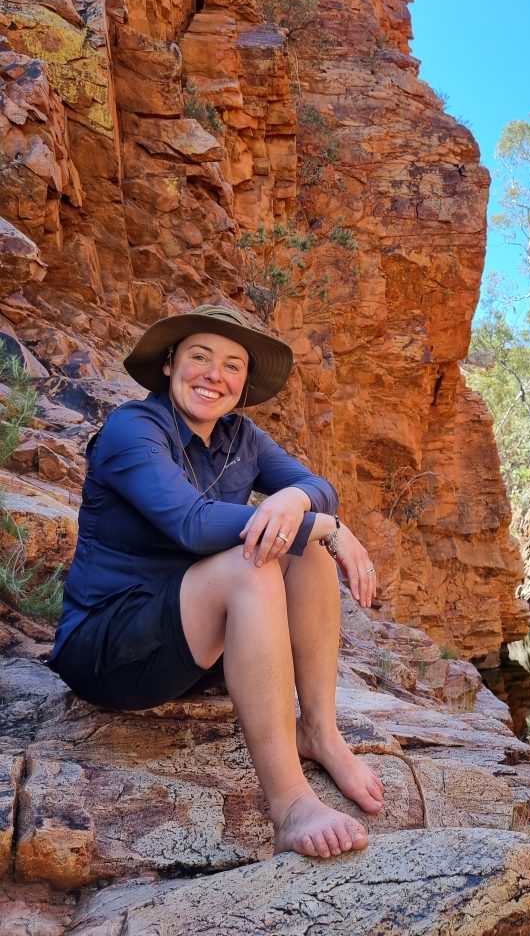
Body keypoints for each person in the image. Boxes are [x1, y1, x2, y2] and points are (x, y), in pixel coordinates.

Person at [48, 303, 384, 859]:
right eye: (199, 357)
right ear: (169, 364)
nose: (214, 375)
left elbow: (318, 486)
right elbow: (191, 523)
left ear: (244, 383)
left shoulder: (241, 437)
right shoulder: (133, 427)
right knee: (256, 563)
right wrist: (325, 525)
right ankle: (290, 805)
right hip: (109, 649)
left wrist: (299, 500)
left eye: (232, 365)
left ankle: (319, 732)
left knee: (305, 554)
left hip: (193, 649)